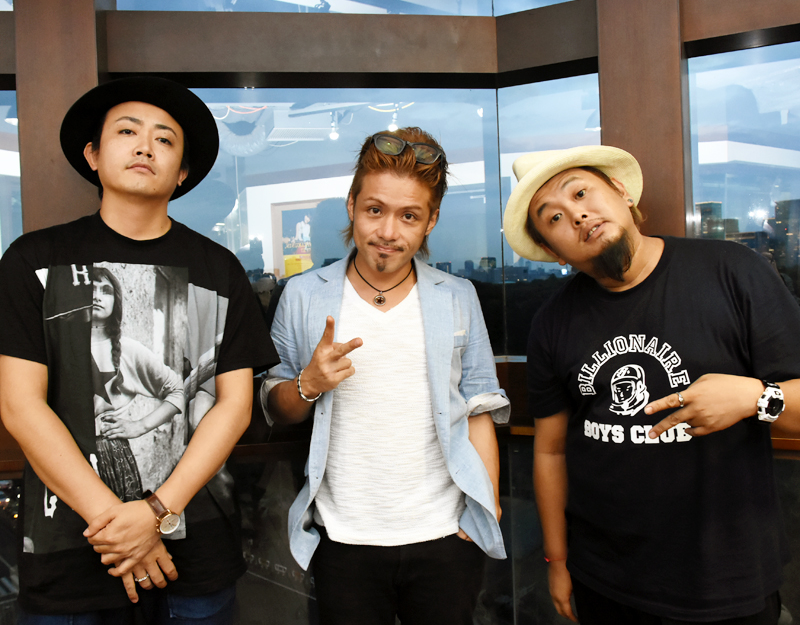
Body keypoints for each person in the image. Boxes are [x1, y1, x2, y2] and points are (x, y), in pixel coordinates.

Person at [0, 76, 278, 623]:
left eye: (165, 139)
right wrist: (119, 522)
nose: (145, 146)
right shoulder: (34, 259)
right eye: (127, 132)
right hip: (68, 553)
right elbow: (20, 405)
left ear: (182, 173)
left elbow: (234, 406)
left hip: (195, 551)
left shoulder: (219, 270)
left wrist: (153, 511)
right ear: (93, 155)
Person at [502, 144, 800, 624]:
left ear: (621, 192)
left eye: (581, 193)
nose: (576, 215)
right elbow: (551, 451)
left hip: (727, 578)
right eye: (553, 218)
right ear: (553, 251)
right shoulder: (552, 321)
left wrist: (755, 397)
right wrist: (556, 561)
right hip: (605, 580)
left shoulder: (732, 270)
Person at [261, 127, 509, 625]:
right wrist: (308, 383)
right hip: (344, 535)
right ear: (352, 205)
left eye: (409, 216)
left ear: (430, 221)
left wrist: (488, 504)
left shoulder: (457, 295)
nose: (388, 231)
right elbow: (274, 405)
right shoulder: (305, 295)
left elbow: (479, 405)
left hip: (445, 532)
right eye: (375, 210)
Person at [91, 266, 184, 503]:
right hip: (67, 454)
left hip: (111, 457)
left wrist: (140, 426)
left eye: (106, 291)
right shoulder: (61, 347)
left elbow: (177, 390)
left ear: (116, 301)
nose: (97, 296)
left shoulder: (129, 350)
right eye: (91, 288)